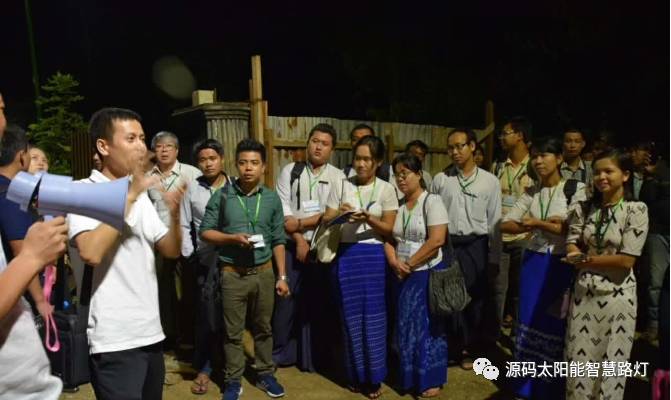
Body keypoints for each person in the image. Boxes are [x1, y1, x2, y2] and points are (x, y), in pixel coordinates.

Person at [68, 107, 184, 400]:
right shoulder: (83, 192)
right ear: (103, 146)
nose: (141, 147)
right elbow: (91, 252)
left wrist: (174, 214)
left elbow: (170, 250)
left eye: (142, 138)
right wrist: (130, 194)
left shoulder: (141, 197)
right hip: (113, 340)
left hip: (150, 332)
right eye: (131, 139)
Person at [200, 138, 289, 400]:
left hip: (264, 273)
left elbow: (278, 239)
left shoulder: (271, 198)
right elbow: (205, 231)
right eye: (243, 163)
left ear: (263, 166)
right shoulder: (222, 196)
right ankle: (233, 380)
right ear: (236, 165)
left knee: (264, 328)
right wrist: (230, 238)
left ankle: (265, 373)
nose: (248, 168)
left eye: (254, 163)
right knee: (232, 332)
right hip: (232, 274)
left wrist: (282, 276)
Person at [501, 137, 587, 399]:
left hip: (561, 263)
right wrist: (547, 224)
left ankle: (550, 387)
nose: (538, 161)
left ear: (559, 158)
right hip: (533, 262)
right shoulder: (531, 191)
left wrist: (536, 223)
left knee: (555, 322)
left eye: (544, 155)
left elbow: (573, 229)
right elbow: (506, 223)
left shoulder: (576, 189)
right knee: (528, 320)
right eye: (535, 156)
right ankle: (525, 386)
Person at [563, 149, 649, 400]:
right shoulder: (585, 207)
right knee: (579, 361)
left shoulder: (636, 209)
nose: (602, 177)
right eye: (597, 172)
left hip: (618, 297)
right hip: (584, 295)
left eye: (608, 171)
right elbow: (572, 241)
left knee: (612, 363)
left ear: (625, 175)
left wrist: (583, 260)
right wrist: (574, 253)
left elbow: (626, 260)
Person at [322, 135, 399, 399]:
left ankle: (374, 377)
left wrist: (368, 218)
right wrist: (340, 214)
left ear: (378, 161)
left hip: (373, 257)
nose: (361, 164)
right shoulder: (341, 184)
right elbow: (327, 219)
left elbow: (389, 228)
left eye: (367, 159)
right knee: (350, 317)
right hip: (346, 256)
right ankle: (354, 374)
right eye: (358, 158)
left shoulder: (386, 189)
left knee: (375, 317)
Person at [274, 123, 345, 371]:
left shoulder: (338, 177)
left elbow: (332, 213)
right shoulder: (290, 171)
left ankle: (315, 359)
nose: (318, 147)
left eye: (324, 144)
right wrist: (299, 239)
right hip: (292, 244)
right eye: (315, 141)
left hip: (324, 248)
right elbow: (282, 209)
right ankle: (281, 354)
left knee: (318, 303)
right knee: (286, 302)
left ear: (332, 149)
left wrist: (303, 224)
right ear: (307, 143)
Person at [431, 127, 501, 370]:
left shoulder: (490, 181)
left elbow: (495, 222)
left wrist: (494, 258)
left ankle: (472, 348)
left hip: (476, 245)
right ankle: (451, 346)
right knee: (448, 294)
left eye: (460, 146)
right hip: (448, 245)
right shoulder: (441, 179)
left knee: (475, 297)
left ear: (472, 147)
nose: (455, 152)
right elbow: (432, 214)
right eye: (450, 147)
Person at [384, 153, 448, 398]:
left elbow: (437, 240)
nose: (400, 179)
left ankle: (430, 378)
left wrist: (409, 264)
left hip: (425, 273)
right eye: (396, 175)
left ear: (419, 174)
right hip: (400, 274)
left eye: (405, 173)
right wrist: (394, 262)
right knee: (405, 326)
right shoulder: (398, 206)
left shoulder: (432, 201)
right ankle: (409, 377)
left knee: (427, 327)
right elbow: (387, 238)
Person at [180, 138, 233, 395]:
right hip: (205, 258)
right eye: (202, 160)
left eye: (212, 158)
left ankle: (232, 366)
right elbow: (184, 223)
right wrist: (191, 255)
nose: (208, 163)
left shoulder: (236, 187)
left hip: (235, 257)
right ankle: (205, 366)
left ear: (222, 159)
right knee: (207, 315)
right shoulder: (192, 189)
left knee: (232, 314)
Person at [147, 131, 201, 362]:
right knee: (163, 292)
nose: (164, 150)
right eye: (159, 146)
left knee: (188, 291)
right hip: (159, 243)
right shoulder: (148, 177)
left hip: (186, 241)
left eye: (169, 146)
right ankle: (168, 337)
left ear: (177, 150)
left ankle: (188, 339)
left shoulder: (192, 173)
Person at [0, 126, 53, 324]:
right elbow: (22, 252)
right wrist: (40, 301)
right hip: (18, 299)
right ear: (22, 156)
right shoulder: (10, 194)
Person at [489, 117, 534, 337]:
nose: (501, 137)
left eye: (505, 133)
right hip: (500, 237)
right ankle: (493, 336)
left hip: (526, 237)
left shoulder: (535, 166)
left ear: (520, 136)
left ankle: (518, 336)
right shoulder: (497, 166)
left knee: (521, 289)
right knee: (497, 290)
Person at [638, 154, 669, 341]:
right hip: (658, 233)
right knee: (655, 283)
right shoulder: (659, 168)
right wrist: (650, 177)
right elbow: (645, 200)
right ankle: (654, 325)